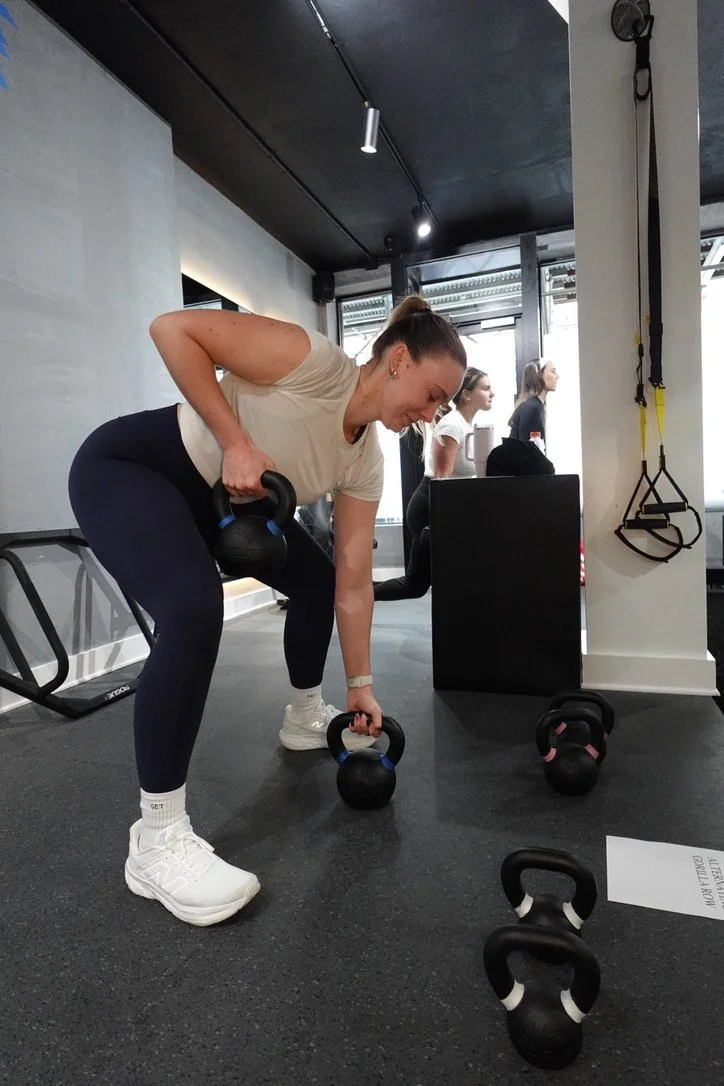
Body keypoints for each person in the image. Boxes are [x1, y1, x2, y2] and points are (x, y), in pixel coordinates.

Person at [67, 294, 466, 927]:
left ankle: (307, 715)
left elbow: (354, 584)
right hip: (137, 470)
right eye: (432, 393)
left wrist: (360, 687)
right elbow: (171, 329)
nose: (432, 412)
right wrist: (235, 439)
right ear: (397, 360)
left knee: (315, 580)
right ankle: (157, 839)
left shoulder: (366, 459)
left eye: (441, 405)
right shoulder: (315, 361)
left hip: (231, 508)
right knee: (195, 609)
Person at [373, 367, 493, 602]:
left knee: (414, 586)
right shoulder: (452, 426)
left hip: (441, 505)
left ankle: (351, 593)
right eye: (486, 388)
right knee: (446, 578)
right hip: (429, 507)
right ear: (467, 395)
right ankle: (349, 593)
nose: (492, 393)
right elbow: (441, 480)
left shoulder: (468, 426)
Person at [507, 359, 559, 451]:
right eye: (553, 371)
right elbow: (526, 451)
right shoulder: (533, 407)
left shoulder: (535, 405)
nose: (557, 376)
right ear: (539, 375)